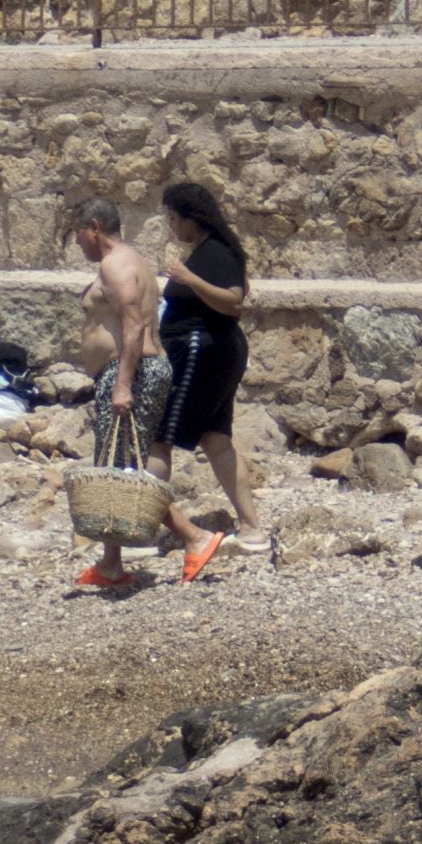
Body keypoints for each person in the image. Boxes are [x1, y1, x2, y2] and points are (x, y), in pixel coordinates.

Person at [148, 181, 269, 582]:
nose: (171, 226)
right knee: (215, 439)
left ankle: (142, 522)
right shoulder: (210, 252)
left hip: (202, 351)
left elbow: (233, 301)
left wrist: (187, 277)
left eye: (173, 218)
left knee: (160, 436)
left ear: (191, 218)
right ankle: (252, 528)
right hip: (211, 352)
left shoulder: (214, 254)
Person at [66, 196, 171, 589]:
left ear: (94, 227)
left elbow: (134, 326)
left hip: (132, 371)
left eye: (79, 236)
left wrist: (123, 384)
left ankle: (194, 536)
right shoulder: (129, 260)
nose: (78, 245)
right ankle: (110, 564)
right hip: (133, 370)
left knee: (122, 466)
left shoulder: (116, 264)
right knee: (122, 463)